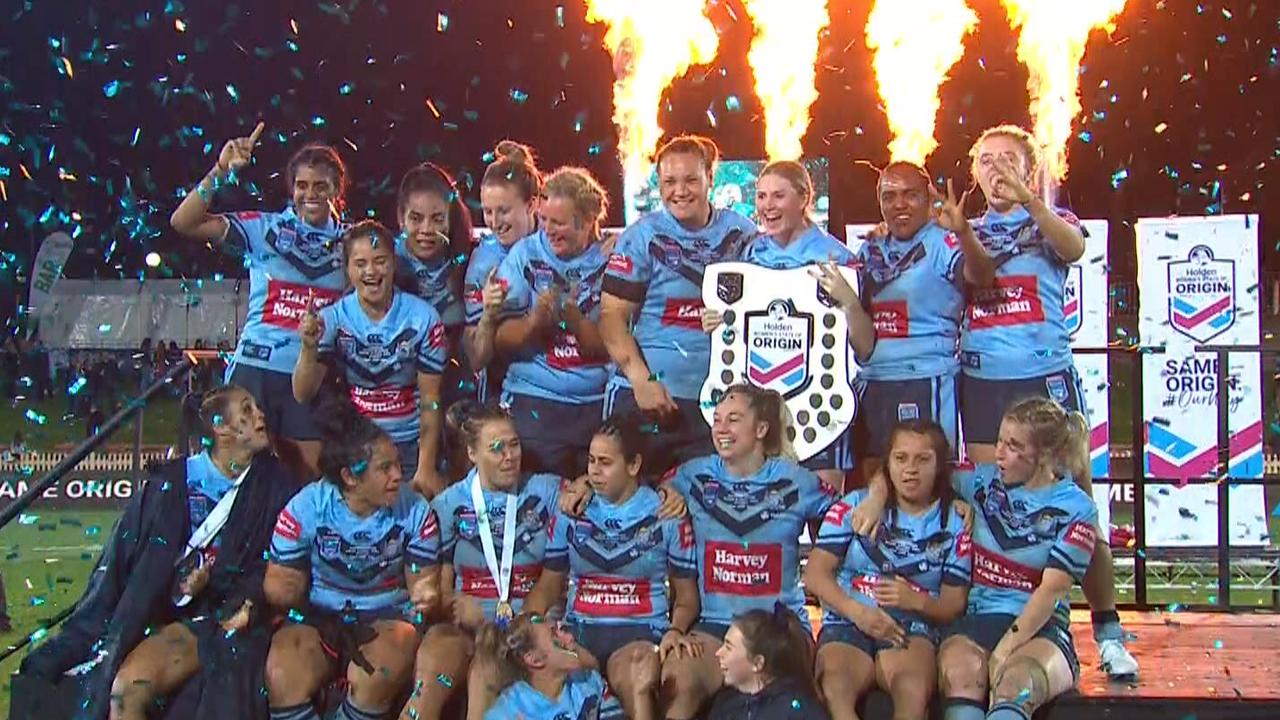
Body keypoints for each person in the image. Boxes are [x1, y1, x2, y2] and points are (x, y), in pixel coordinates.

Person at [958, 125, 1136, 679]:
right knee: (1000, 507)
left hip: (1045, 379)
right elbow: (971, 276)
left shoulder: (1051, 219)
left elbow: (1075, 248)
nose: (996, 169)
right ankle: (1015, 620)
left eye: (1008, 160)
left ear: (1028, 168)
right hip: (984, 382)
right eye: (986, 161)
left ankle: (1107, 630)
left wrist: (1032, 199)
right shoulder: (963, 229)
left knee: (1077, 504)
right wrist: (961, 229)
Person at [21, 385, 297, 720]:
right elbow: (129, 564)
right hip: (168, 620)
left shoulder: (276, 486)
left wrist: (235, 596)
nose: (260, 416)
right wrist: (178, 589)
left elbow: (274, 565)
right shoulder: (168, 485)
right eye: (247, 409)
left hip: (229, 619)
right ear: (220, 427)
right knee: (127, 690)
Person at [855, 398, 1099, 720]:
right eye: (999, 440)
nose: (998, 453)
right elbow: (910, 469)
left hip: (1039, 625)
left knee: (1015, 684)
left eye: (1013, 446)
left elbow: (1051, 590)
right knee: (962, 673)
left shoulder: (1077, 508)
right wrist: (876, 497)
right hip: (977, 618)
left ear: (1045, 456)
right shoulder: (980, 480)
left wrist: (1005, 650)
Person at [608, 384, 836, 720]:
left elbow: (849, 515)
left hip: (776, 626)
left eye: (733, 419)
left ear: (761, 429)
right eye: (716, 420)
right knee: (676, 684)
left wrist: (875, 498)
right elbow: (638, 491)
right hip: (714, 627)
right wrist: (591, 485)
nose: (721, 429)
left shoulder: (798, 481)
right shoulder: (691, 475)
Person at [170, 123, 347, 479]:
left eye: (320, 186)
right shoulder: (263, 229)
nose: (309, 194)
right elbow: (183, 222)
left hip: (311, 377)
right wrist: (220, 172)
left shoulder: (354, 243)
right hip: (255, 371)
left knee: (307, 485)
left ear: (337, 190)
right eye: (301, 185)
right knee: (236, 480)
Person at [811, 163, 994, 480]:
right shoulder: (870, 250)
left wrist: (963, 231)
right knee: (870, 487)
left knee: (928, 485)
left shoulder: (944, 242)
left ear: (928, 200)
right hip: (872, 382)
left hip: (926, 379)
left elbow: (983, 277)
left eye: (910, 195)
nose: (899, 204)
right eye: (889, 196)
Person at [263, 399, 441, 720]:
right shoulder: (306, 507)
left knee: (377, 674)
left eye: (398, 464)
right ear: (350, 477)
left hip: (388, 615)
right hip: (318, 615)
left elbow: (422, 584)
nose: (398, 476)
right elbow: (277, 588)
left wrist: (426, 594)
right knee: (281, 674)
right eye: (385, 468)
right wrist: (284, 586)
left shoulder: (416, 511)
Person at [707, 161, 874, 489]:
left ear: (804, 198)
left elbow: (865, 347)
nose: (767, 206)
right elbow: (736, 331)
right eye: (761, 196)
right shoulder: (748, 254)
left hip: (817, 405)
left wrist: (850, 301)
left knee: (822, 511)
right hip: (760, 408)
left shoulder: (836, 258)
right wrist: (717, 323)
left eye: (778, 196)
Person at [599, 135, 756, 479]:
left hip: (718, 403)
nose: (680, 191)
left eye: (691, 180)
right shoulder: (642, 236)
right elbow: (612, 318)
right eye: (669, 182)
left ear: (710, 180)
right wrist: (643, 381)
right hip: (646, 398)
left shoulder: (742, 234)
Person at [524, 417, 701, 720]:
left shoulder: (666, 515)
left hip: (640, 636)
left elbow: (687, 598)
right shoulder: (571, 510)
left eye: (605, 462)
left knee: (636, 669)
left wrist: (675, 630)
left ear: (633, 465)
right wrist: (525, 625)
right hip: (577, 635)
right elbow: (549, 585)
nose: (593, 470)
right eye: (591, 460)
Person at [400, 405, 563, 720]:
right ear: (472, 453)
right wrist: (453, 604)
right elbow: (440, 590)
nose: (510, 456)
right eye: (497, 448)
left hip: (536, 623)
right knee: (437, 654)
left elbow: (598, 488)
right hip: (470, 627)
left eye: (514, 444)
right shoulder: (449, 505)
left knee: (489, 668)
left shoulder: (548, 491)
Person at [803, 419, 971, 720]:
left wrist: (915, 601)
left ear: (939, 466)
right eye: (901, 458)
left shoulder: (954, 522)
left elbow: (953, 605)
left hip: (910, 628)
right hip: (849, 620)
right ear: (888, 464)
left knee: (913, 695)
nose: (910, 469)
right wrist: (858, 613)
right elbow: (814, 575)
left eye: (923, 459)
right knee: (834, 692)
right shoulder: (855, 505)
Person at [293, 219, 448, 496]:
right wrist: (308, 348)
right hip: (356, 445)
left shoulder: (424, 318)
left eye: (380, 261)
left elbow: (430, 399)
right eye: (361, 263)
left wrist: (425, 467)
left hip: (409, 445)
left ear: (393, 264)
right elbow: (303, 394)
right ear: (348, 269)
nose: (371, 271)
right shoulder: (333, 318)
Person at [491, 166, 612, 478]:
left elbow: (611, 346)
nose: (547, 230)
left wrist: (573, 317)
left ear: (587, 221)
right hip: (536, 400)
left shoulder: (613, 255)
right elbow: (499, 339)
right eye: (543, 220)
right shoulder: (525, 254)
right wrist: (534, 322)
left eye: (558, 222)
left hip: (596, 402)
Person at [464, 140, 542, 403]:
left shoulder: (557, 241)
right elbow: (476, 358)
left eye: (504, 211)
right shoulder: (483, 262)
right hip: (503, 394)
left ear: (532, 205)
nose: (495, 223)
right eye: (487, 212)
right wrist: (488, 315)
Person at [395, 162, 476, 413]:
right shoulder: (383, 261)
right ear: (401, 218)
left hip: (457, 396)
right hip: (398, 399)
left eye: (437, 218)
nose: (427, 230)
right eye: (416, 219)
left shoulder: (470, 259)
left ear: (450, 219)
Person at [707, 605, 830, 720]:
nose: (718, 653)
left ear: (757, 663)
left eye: (728, 647)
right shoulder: (725, 703)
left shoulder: (797, 711)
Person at [476, 614, 607, 720]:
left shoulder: (589, 684)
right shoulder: (507, 714)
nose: (570, 637)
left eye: (561, 630)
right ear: (535, 660)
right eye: (554, 635)